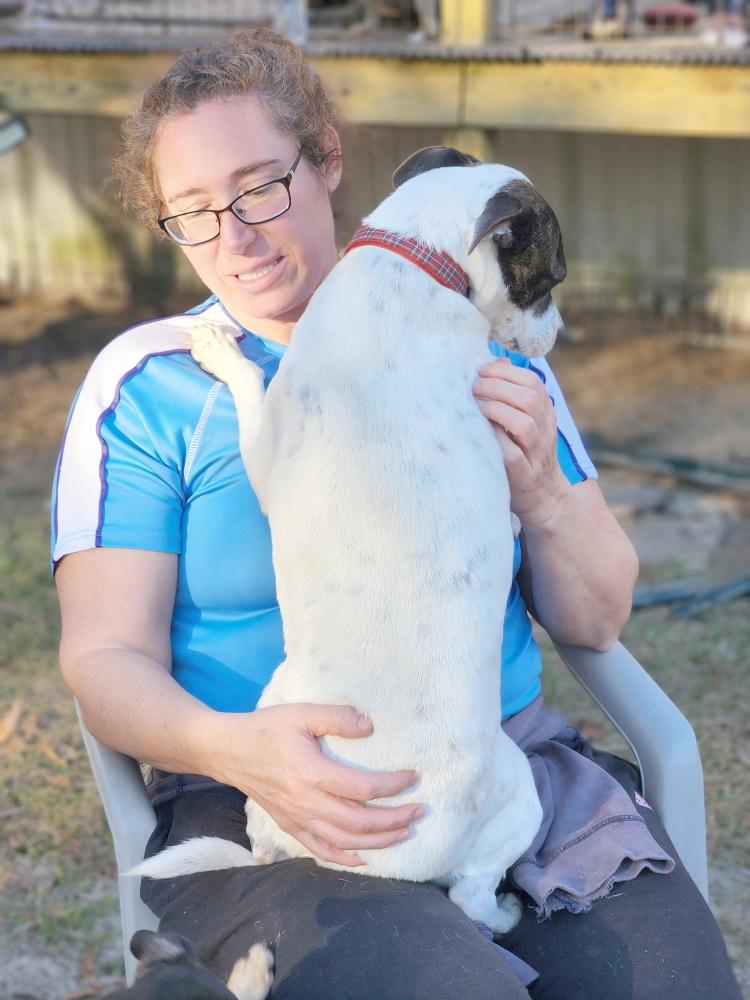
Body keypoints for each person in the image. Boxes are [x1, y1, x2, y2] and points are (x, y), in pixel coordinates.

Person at [52, 29, 741, 1000]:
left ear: (326, 159)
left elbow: (597, 617)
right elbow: (103, 659)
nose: (235, 238)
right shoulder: (150, 385)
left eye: (259, 188)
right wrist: (237, 750)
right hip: (271, 792)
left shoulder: (483, 337)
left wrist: (543, 491)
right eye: (194, 213)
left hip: (503, 768)